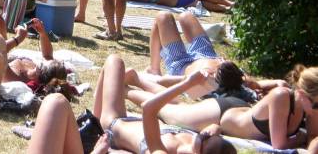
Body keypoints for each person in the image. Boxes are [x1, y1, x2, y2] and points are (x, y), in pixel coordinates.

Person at [125, 63, 318, 150]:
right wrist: (301, 137)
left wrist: (306, 137)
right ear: (302, 94)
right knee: (165, 109)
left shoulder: (310, 106)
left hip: (236, 111)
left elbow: (312, 137)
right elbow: (280, 144)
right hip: (221, 115)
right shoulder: (282, 96)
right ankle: (124, 89)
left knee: (179, 105)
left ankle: (136, 79)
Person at [90, 54, 235, 154]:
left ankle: (94, 121)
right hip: (132, 120)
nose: (205, 137)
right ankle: (128, 86)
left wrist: (188, 83)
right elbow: (215, 127)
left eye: (206, 140)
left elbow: (148, 108)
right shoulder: (198, 143)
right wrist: (206, 135)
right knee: (179, 106)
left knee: (114, 61)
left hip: (113, 124)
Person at [147, 12, 224, 99]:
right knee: (186, 16)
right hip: (208, 55)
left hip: (181, 65)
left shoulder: (214, 91)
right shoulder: (239, 88)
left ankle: (154, 70)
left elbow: (165, 82)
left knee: (163, 16)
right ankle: (153, 69)